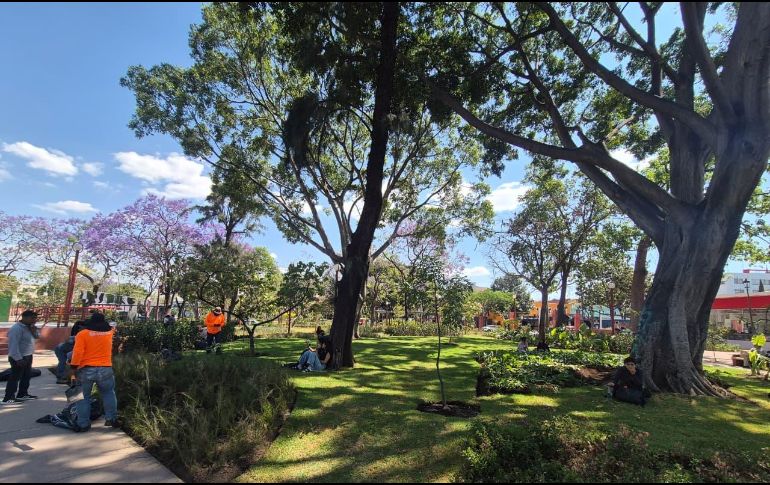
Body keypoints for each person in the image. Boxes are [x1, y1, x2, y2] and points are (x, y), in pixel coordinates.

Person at [69, 312, 120, 431]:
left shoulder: (82, 334)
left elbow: (78, 353)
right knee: (109, 393)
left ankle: (83, 424)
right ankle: (111, 419)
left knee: (82, 397)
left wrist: (73, 368)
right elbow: (113, 328)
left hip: (86, 369)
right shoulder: (109, 333)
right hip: (106, 369)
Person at [2, 310, 40, 404]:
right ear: (25, 317)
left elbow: (37, 337)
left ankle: (22, 394)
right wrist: (18, 359)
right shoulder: (16, 329)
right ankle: (8, 398)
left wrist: (34, 330)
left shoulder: (30, 327)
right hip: (18, 357)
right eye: (32, 318)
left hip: (28, 355)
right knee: (15, 378)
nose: (34, 320)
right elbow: (13, 345)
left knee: (26, 376)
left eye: (35, 318)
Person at [54, 320, 86, 384]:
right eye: (79, 328)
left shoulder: (82, 335)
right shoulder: (78, 337)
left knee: (70, 362)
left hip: (65, 349)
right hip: (60, 350)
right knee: (63, 362)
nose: (79, 329)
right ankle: (61, 377)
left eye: (80, 328)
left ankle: (67, 377)